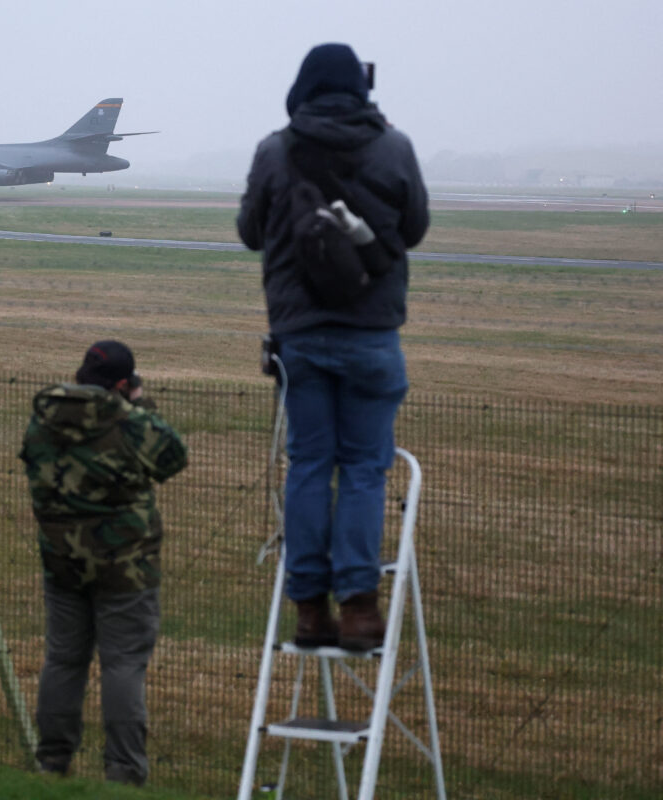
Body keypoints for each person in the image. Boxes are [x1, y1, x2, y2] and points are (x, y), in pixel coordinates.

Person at [236, 43, 429, 651]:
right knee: (366, 470)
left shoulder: (275, 149)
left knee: (310, 465)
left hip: (301, 335)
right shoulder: (393, 146)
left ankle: (309, 609)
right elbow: (416, 229)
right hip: (372, 333)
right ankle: (360, 607)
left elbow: (248, 234)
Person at [19, 340, 188, 786]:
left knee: (63, 660)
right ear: (121, 384)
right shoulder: (128, 421)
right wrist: (141, 404)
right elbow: (173, 457)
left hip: (62, 561)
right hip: (126, 568)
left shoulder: (44, 419)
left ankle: (52, 762)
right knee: (123, 666)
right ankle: (124, 771)